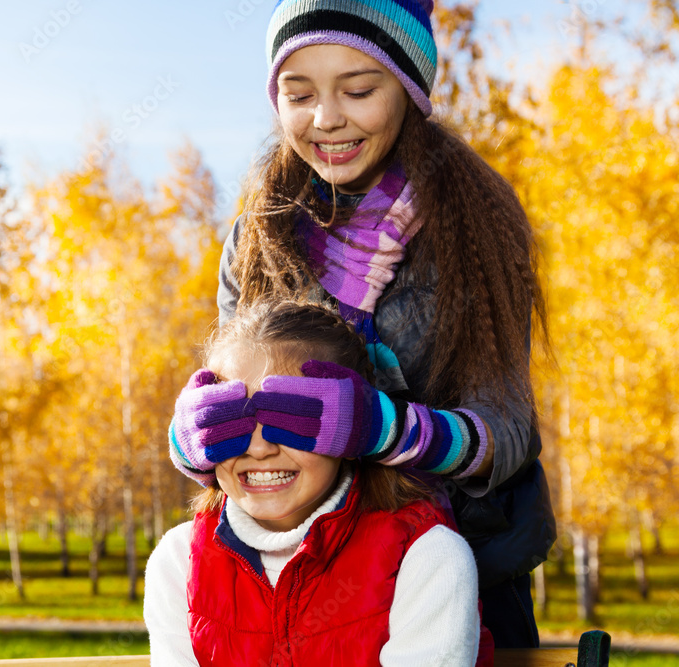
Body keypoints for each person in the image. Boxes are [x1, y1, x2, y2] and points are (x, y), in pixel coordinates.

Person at [168, 0, 556, 650]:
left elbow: (509, 432)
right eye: (298, 93)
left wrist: (384, 428)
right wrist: (195, 438)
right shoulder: (258, 234)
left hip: (459, 571)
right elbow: (240, 408)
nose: (326, 118)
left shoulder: (475, 225)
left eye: (358, 89)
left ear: (408, 88)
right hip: (310, 574)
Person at [148, 300, 494, 666]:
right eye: (230, 422)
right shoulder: (179, 561)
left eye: (292, 420)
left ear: (349, 434)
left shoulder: (427, 557)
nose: (260, 448)